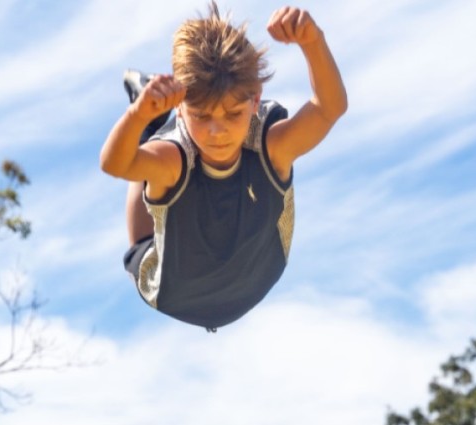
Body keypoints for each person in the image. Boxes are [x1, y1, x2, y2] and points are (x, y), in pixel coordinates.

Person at [99, 2, 347, 332]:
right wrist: (138, 116)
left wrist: (313, 41)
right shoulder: (175, 157)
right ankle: (149, 118)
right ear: (183, 110)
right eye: (202, 116)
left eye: (232, 114)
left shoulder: (271, 146)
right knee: (149, 177)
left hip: (260, 272)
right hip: (173, 292)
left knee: (153, 164)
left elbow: (329, 108)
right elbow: (117, 164)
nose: (218, 131)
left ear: (255, 100)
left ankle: (149, 118)